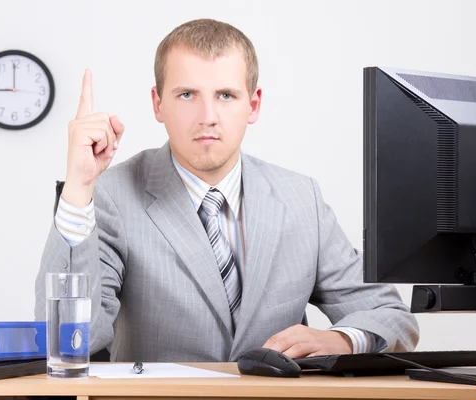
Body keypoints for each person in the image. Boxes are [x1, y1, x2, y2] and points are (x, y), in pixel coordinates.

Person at [34, 18, 419, 362]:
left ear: (253, 105)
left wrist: (341, 339)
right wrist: (79, 187)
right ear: (158, 104)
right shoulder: (113, 194)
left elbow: (392, 316)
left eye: (226, 95)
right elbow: (71, 341)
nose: (208, 118)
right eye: (187, 95)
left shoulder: (301, 198)